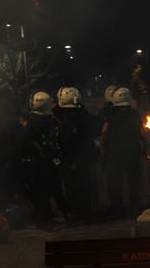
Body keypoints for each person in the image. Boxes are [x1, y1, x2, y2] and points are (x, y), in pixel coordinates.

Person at [24, 91, 68, 224]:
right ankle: (66, 212)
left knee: (42, 191)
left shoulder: (32, 122)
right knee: (56, 187)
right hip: (53, 159)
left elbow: (27, 140)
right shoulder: (53, 120)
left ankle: (45, 217)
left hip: (39, 160)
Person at [54, 86, 97, 221]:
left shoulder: (57, 116)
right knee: (85, 185)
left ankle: (74, 213)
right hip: (83, 157)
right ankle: (86, 212)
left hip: (67, 157)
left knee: (70, 186)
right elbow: (97, 128)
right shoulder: (83, 115)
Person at [100, 87, 142, 217]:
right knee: (133, 181)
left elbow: (104, 132)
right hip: (132, 152)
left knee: (115, 182)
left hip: (115, 152)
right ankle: (135, 207)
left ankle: (117, 208)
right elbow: (141, 132)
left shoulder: (111, 114)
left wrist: (103, 148)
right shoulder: (134, 114)